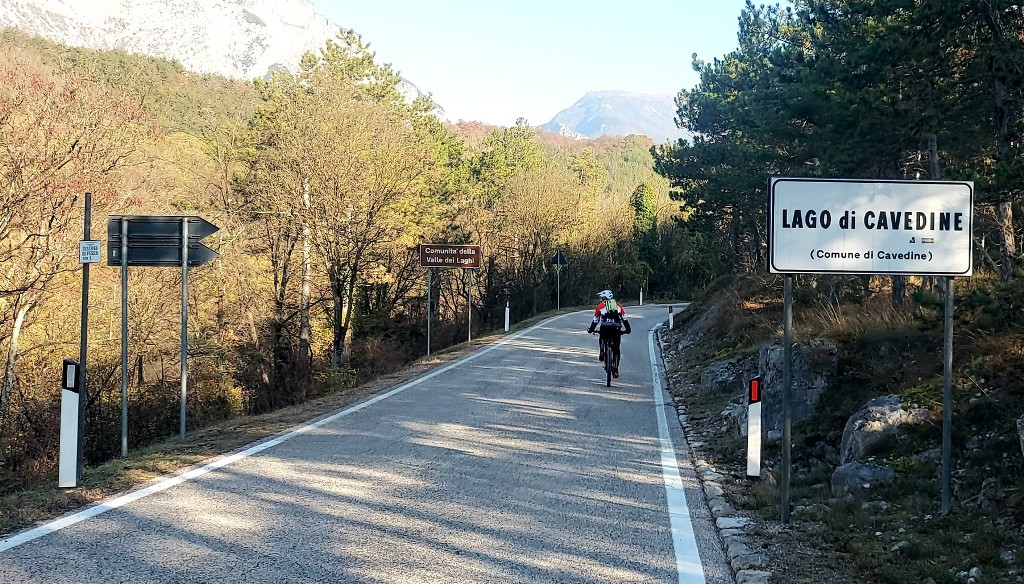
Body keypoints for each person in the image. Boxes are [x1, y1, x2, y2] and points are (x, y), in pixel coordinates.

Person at [587, 290, 631, 377]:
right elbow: (624, 319)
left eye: (601, 298)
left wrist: (591, 330)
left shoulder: (600, 306)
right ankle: (616, 370)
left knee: (602, 336)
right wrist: (628, 330)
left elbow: (595, 320)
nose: (600, 299)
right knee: (616, 349)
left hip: (605, 328)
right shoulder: (619, 306)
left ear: (604, 298)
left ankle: (602, 351)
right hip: (616, 329)